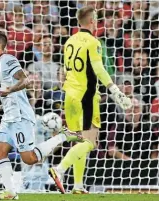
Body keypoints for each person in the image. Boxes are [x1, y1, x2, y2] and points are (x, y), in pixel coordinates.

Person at [0, 31, 82, 200]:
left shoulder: (8, 60)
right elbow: (9, 94)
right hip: (9, 116)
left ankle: (63, 136)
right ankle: (10, 192)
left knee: (29, 158)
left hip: (20, 116)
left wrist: (10, 90)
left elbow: (25, 80)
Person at [48, 6, 132, 194]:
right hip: (86, 98)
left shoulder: (69, 41)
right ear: (93, 21)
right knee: (90, 142)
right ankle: (59, 170)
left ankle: (78, 186)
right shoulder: (94, 42)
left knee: (79, 142)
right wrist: (115, 90)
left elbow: (65, 71)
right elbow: (99, 69)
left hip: (69, 97)